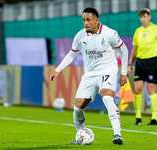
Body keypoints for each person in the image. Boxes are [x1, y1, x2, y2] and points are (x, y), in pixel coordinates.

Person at [50, 7, 128, 145]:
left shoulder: (109, 33)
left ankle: (117, 135)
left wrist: (123, 72)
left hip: (107, 71)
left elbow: (123, 50)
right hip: (90, 74)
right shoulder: (80, 36)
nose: (85, 23)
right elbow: (71, 53)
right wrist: (58, 69)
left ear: (96, 20)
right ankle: (80, 134)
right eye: (83, 20)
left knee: (107, 98)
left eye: (88, 20)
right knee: (78, 107)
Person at [127, 8, 157, 125]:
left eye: (145, 16)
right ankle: (138, 117)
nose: (143, 19)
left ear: (149, 17)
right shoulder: (138, 31)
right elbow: (135, 48)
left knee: (151, 89)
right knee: (138, 88)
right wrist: (130, 63)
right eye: (141, 17)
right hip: (140, 62)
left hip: (152, 61)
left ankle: (154, 118)